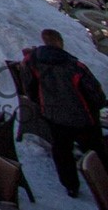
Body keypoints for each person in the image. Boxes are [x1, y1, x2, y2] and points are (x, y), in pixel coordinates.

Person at [25, 28, 107, 197]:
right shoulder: (75, 66)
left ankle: (71, 186)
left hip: (53, 116)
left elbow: (30, 88)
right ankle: (103, 180)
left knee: (62, 151)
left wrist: (43, 105)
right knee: (97, 151)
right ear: (60, 43)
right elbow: (96, 95)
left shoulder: (33, 62)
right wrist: (97, 108)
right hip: (83, 118)